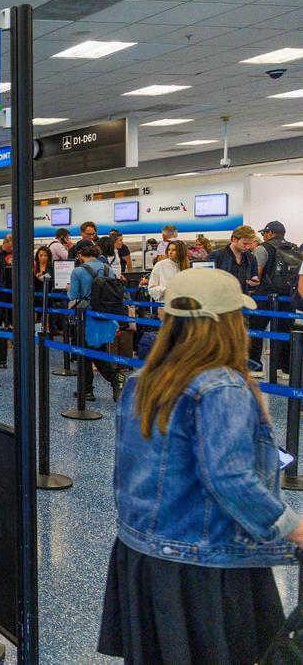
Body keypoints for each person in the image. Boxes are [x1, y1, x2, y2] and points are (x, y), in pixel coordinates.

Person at [97, 267, 303, 664]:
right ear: (227, 324)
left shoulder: (144, 380)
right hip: (203, 564)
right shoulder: (221, 387)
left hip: (143, 552)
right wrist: (292, 529)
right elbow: (229, 477)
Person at [70, 242, 127, 401]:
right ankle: (89, 388)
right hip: (107, 316)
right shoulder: (108, 268)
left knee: (86, 353)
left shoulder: (78, 271)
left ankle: (110, 379)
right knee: (96, 351)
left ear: (80, 255)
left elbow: (72, 295)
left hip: (87, 318)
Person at [250, 221, 293, 379]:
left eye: (263, 233)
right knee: (286, 332)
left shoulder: (263, 248)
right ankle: (286, 369)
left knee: (255, 330)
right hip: (288, 297)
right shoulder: (293, 247)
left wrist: (252, 288)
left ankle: (255, 367)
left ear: (269, 232)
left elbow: (257, 274)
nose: (263, 236)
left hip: (265, 296)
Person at [208, 225, 260, 294]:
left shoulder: (251, 258)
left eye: (250, 244)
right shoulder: (216, 256)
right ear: (234, 239)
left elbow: (253, 283)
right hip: (221, 300)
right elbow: (206, 282)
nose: (247, 247)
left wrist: (254, 283)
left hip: (243, 300)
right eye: (245, 243)